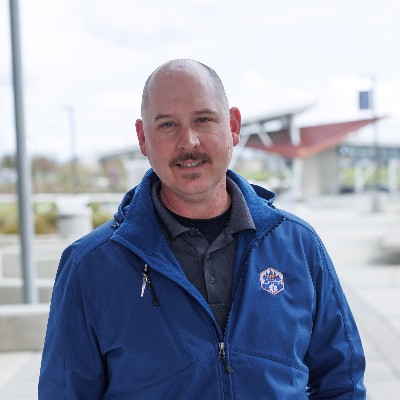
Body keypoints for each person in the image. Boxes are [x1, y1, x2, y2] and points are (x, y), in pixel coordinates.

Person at [39, 59, 366, 399]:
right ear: (143, 138)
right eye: (168, 125)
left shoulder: (298, 245)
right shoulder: (90, 265)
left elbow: (342, 381)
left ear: (233, 126)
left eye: (203, 120)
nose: (189, 141)